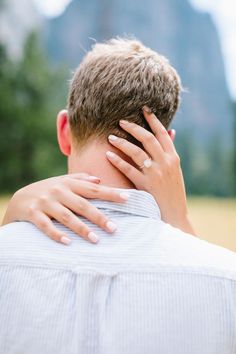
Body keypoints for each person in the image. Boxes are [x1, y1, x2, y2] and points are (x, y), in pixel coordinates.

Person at [0, 38, 236, 354]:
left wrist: (9, 223)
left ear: (63, 131)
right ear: (167, 144)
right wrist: (180, 220)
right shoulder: (225, 281)